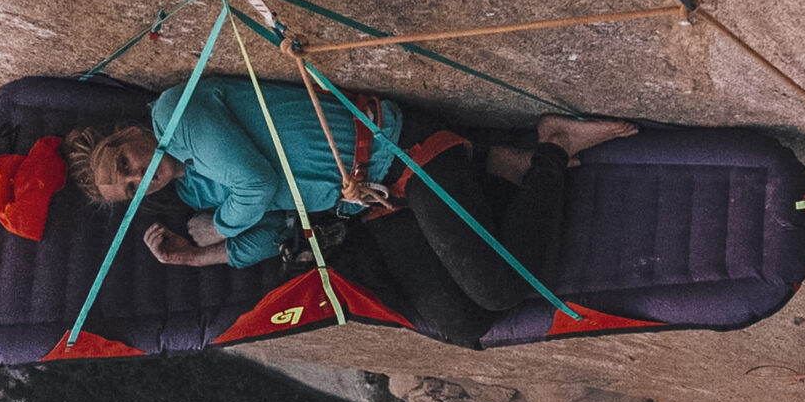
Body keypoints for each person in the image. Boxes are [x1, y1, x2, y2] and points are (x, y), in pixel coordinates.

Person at [63, 77, 635, 344]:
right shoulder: (196, 192)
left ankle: (552, 147)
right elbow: (275, 233)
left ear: (128, 133)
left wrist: (215, 229)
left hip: (398, 149)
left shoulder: (175, 114)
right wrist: (199, 260)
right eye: (131, 187)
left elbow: (257, 185)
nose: (140, 174)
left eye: (124, 162)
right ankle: (485, 166)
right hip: (377, 203)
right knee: (462, 324)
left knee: (498, 288)